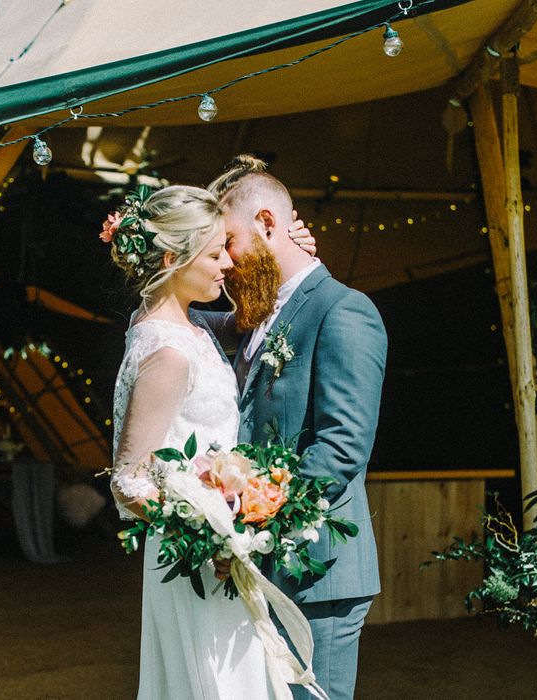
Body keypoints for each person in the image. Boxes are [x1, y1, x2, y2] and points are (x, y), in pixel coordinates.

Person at [106, 184, 315, 700]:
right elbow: (127, 479)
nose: (228, 264)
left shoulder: (178, 323)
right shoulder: (170, 353)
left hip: (210, 556)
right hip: (197, 561)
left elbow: (253, 319)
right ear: (175, 257)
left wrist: (291, 259)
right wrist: (218, 534)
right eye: (216, 251)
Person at [205, 156, 387, 700]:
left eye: (228, 241)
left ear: (266, 223)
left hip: (318, 573)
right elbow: (177, 315)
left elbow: (340, 450)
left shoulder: (343, 311)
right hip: (265, 567)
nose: (223, 260)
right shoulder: (258, 316)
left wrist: (249, 521)